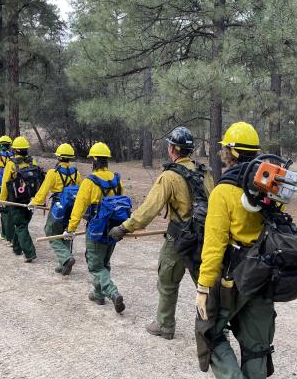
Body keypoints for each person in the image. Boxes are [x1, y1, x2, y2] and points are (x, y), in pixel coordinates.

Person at [109, 126, 214, 339]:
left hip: (178, 238)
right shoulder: (205, 173)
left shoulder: (169, 177)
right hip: (203, 238)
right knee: (205, 285)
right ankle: (213, 330)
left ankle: (165, 325)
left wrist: (123, 228)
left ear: (173, 149)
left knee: (167, 281)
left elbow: (149, 209)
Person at [193, 121, 278, 378]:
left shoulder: (223, 191)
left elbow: (214, 244)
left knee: (210, 331)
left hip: (234, 277)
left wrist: (203, 287)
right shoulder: (271, 186)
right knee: (257, 346)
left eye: (225, 150)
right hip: (265, 274)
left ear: (231, 152)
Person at [68, 142, 125, 312]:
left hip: (96, 228)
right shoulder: (116, 179)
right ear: (107, 160)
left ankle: (113, 292)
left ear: (94, 159)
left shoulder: (90, 181)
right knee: (105, 261)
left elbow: (79, 206)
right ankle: (98, 294)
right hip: (113, 228)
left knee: (95, 264)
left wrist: (71, 228)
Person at [30, 143, 82, 275]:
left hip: (58, 206)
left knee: (51, 231)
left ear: (58, 157)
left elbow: (43, 191)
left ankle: (66, 258)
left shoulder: (53, 173)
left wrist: (34, 202)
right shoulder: (76, 173)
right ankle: (63, 264)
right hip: (72, 207)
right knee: (66, 233)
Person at [0, 136, 41, 263]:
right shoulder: (33, 162)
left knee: (20, 225)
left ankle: (29, 253)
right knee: (22, 223)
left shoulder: (11, 164)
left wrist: (2, 200)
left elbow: (5, 183)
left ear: (15, 150)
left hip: (15, 200)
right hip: (30, 199)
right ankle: (17, 248)